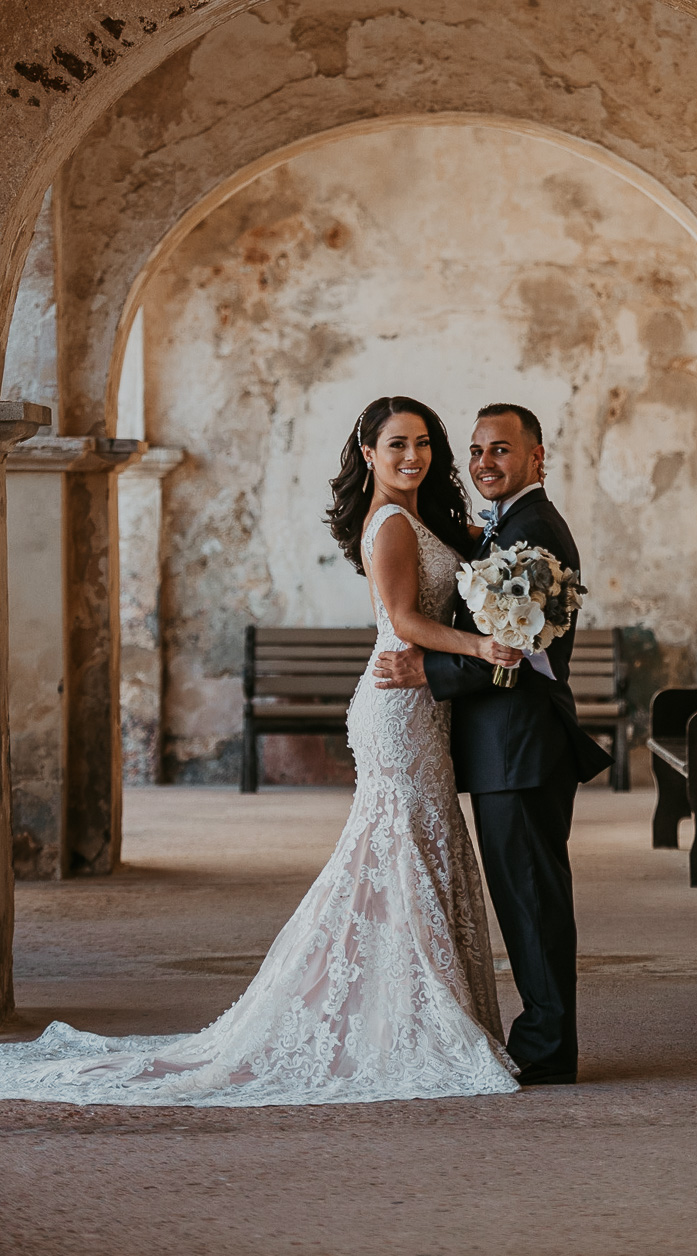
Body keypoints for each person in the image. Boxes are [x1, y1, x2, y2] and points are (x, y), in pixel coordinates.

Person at [0, 396, 520, 1106]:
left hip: (421, 705)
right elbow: (402, 619)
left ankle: (415, 1010)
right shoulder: (393, 523)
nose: (414, 456)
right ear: (367, 452)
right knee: (399, 850)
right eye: (398, 443)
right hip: (398, 705)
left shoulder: (424, 517)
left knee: (408, 852)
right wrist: (482, 645)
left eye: (425, 442)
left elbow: (479, 563)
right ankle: (406, 1020)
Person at [374, 403, 611, 1086]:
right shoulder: (506, 525)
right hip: (505, 745)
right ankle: (541, 1036)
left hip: (522, 744)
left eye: (501, 451)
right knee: (523, 895)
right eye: (477, 452)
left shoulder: (536, 530)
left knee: (532, 898)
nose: (485, 464)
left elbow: (521, 651)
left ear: (537, 459)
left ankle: (546, 1048)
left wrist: (430, 669)